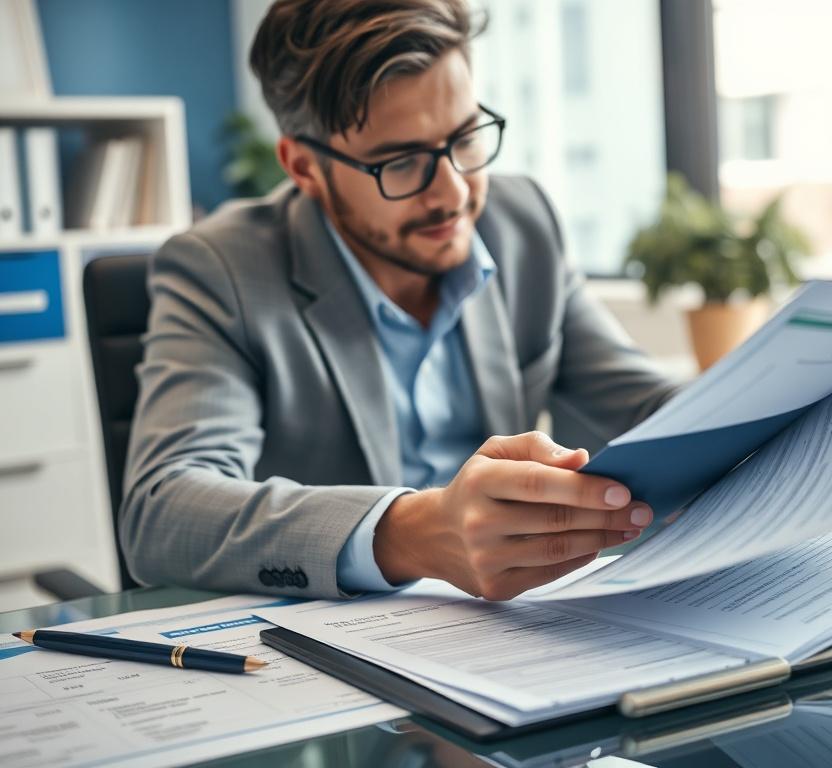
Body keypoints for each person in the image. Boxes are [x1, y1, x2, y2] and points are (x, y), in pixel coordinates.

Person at [121, 0, 680, 601]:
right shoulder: (221, 269)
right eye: (401, 162)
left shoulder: (523, 224)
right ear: (304, 167)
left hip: (509, 633)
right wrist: (412, 533)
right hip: (322, 648)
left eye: (465, 138)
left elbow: (649, 403)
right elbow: (163, 511)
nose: (454, 192)